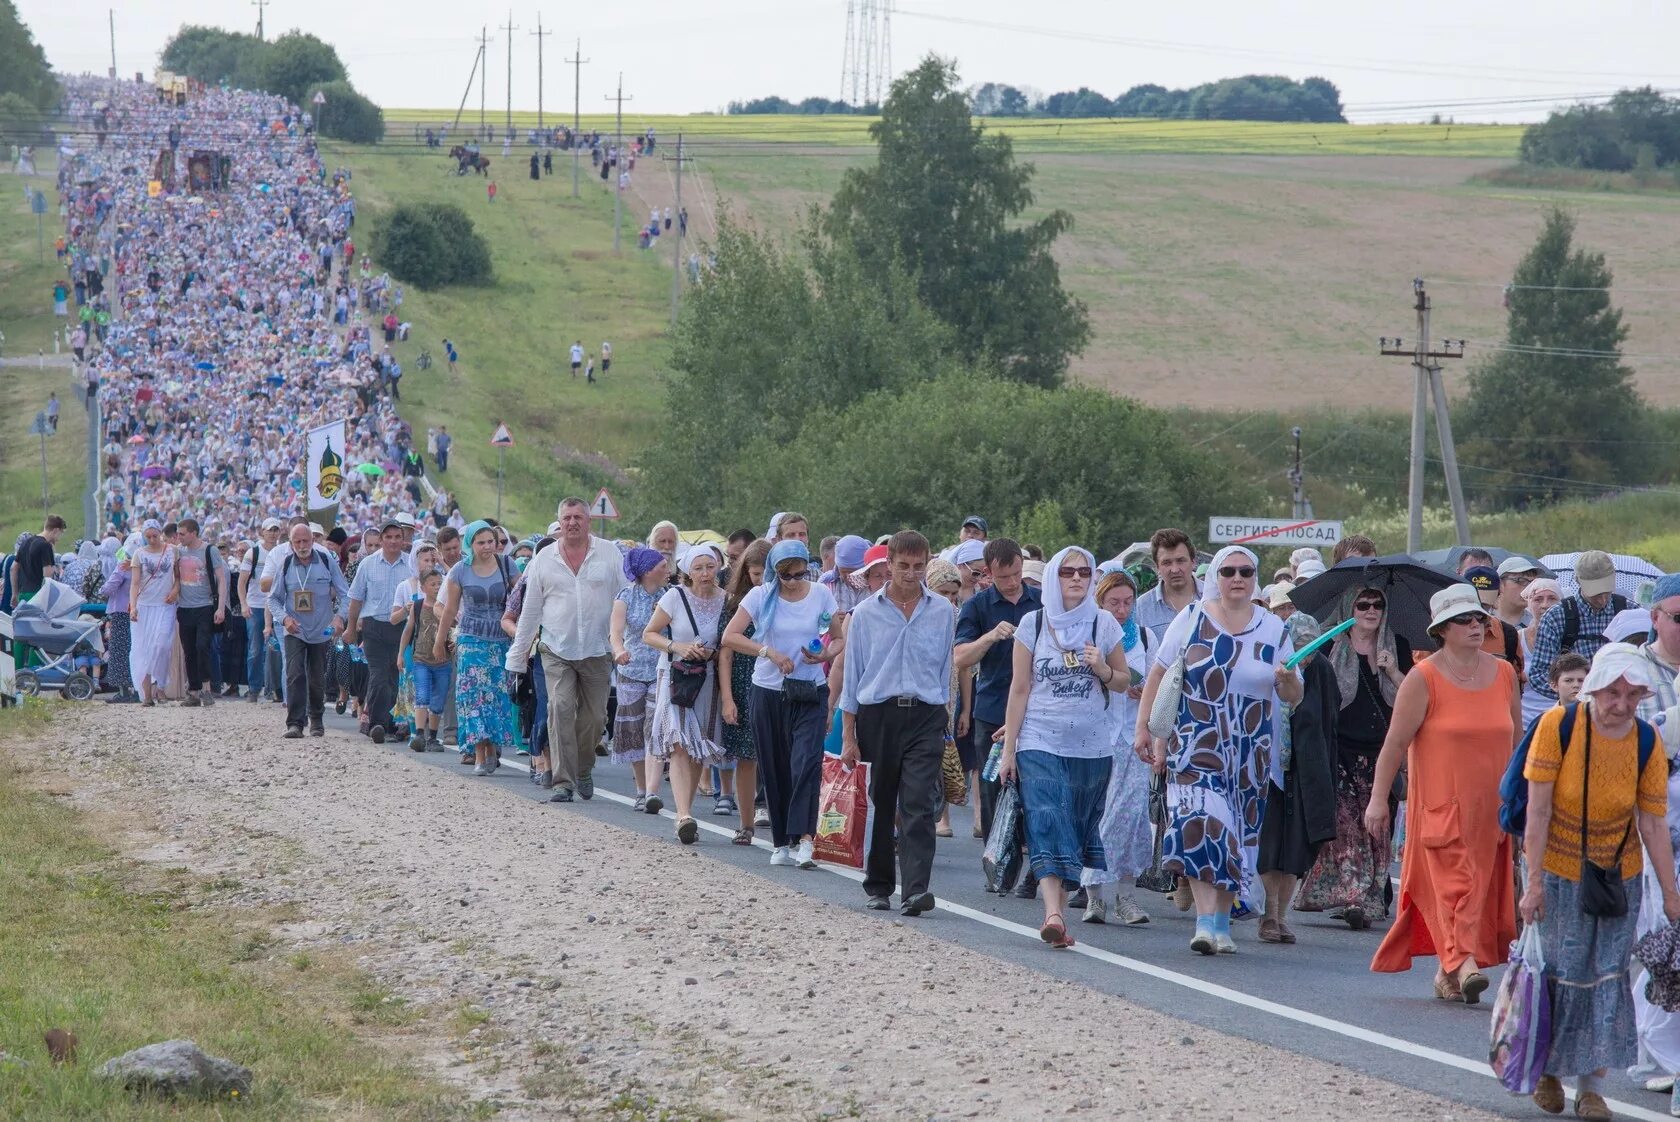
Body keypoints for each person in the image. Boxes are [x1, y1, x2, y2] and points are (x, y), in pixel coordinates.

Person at [1521, 644, 1680, 1121]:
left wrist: (1672, 896)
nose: (1623, 704)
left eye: (1632, 695)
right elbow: (1538, 810)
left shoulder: (1647, 742)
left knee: (1607, 976)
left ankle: (1590, 1088)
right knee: (1561, 971)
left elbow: (1652, 824)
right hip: (1558, 869)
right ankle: (1548, 1072)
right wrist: (1532, 884)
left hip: (1618, 873)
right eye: (1613, 693)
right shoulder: (1560, 725)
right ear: (1593, 690)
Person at [1137, 545, 1300, 954]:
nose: (1238, 578)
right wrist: (1146, 730)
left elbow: (1294, 695)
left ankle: (1223, 923)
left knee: (1236, 838)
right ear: (1216, 576)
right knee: (1198, 827)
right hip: (1195, 744)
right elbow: (1158, 673)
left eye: (1246, 571)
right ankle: (1204, 923)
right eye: (1229, 571)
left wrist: (1285, 680)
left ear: (1255, 577)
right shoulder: (1191, 618)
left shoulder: (1273, 629)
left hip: (1250, 750)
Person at [1366, 584, 1520, 1002]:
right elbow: (1395, 744)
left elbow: (1518, 743)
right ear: (1441, 630)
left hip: (1492, 807)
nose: (1475, 625)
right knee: (1457, 886)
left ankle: (1447, 972)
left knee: (1478, 889)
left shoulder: (1504, 673)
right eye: (1463, 620)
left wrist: (1522, 801)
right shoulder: (1424, 677)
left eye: (1479, 618)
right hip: (1441, 804)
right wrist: (1379, 799)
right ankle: (1464, 963)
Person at [998, 547, 1130, 948]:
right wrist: (1009, 750)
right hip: (1039, 739)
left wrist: (1102, 668)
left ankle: (1060, 910)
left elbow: (1124, 680)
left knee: (1072, 828)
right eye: (1067, 572)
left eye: (1084, 572)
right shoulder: (1032, 624)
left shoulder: (1103, 623)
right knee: (1046, 818)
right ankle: (1052, 913)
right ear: (1054, 577)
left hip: (1091, 747)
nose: (1076, 578)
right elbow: (1019, 690)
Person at [839, 531, 954, 916]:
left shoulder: (942, 611)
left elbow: (944, 668)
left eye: (918, 566)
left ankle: (916, 888)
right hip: (879, 714)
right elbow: (853, 676)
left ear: (927, 564)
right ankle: (879, 884)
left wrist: (945, 715)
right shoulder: (865, 614)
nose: (910, 573)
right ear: (888, 565)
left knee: (919, 800)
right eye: (903, 566)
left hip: (925, 714)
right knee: (883, 801)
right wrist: (849, 736)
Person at [1295, 585, 1412, 930]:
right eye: (1363, 604)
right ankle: (1354, 898)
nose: (1371, 610)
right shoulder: (1331, 645)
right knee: (1346, 825)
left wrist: (1391, 671)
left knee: (1376, 828)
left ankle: (1367, 895)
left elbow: (1412, 696)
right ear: (1350, 607)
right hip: (1339, 747)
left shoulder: (1396, 644)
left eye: (1378, 604)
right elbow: (1310, 692)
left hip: (1381, 750)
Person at [722, 539, 837, 869]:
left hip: (810, 691)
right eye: (787, 576)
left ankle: (804, 837)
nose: (794, 581)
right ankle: (780, 841)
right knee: (774, 766)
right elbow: (731, 636)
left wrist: (826, 654)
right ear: (775, 573)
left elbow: (838, 636)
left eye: (801, 574)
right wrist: (768, 652)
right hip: (769, 689)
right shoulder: (760, 596)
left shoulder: (821, 595)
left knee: (806, 762)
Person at [506, 498, 628, 802]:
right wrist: (518, 655)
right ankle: (563, 780)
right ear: (559, 522)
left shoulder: (610, 554)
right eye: (566, 518)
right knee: (558, 709)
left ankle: (584, 766)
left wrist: (624, 642)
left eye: (577, 517)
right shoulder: (544, 559)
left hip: (598, 651)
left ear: (588, 520)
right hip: (556, 649)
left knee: (595, 718)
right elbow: (531, 611)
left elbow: (626, 599)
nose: (572, 523)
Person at [1257, 612, 1339, 945]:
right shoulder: (1272, 668)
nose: (1303, 653)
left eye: (1309, 646)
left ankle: (1281, 916)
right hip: (1270, 767)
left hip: (1306, 768)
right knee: (1268, 844)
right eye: (1297, 645)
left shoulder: (1321, 670)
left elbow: (1329, 722)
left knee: (1295, 848)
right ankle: (1267, 915)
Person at [954, 538, 1042, 846]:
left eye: (1017, 573)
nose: (1012, 582)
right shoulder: (976, 606)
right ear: (989, 572)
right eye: (1004, 576)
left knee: (1035, 786)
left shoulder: (1042, 602)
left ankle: (1033, 853)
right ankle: (995, 856)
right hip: (992, 710)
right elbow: (960, 658)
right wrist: (990, 637)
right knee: (992, 787)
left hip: (1036, 711)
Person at [643, 545, 729, 844]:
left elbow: (730, 641)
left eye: (710, 566)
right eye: (699, 568)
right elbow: (649, 633)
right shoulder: (675, 596)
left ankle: (686, 810)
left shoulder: (726, 600)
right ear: (687, 572)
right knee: (680, 742)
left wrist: (713, 652)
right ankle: (682, 815)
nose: (705, 573)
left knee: (697, 748)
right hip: (675, 676)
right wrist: (678, 647)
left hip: (707, 678)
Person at [1084, 569, 1155, 926]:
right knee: (1100, 816)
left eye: (1128, 602)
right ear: (1101, 601)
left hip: (1135, 739)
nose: (1122, 609)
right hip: (1098, 739)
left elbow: (1159, 681)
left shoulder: (1144, 637)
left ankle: (1126, 895)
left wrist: (1144, 694)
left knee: (1133, 818)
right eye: (1114, 602)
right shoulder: (1090, 637)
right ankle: (1094, 894)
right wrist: (1112, 680)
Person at [435, 521, 518, 775]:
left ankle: (492, 747)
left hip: (500, 641)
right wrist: (440, 642)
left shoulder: (507, 565)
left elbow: (524, 596)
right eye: (480, 542)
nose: (486, 547)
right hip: (471, 640)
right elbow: (449, 609)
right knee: (473, 698)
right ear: (470, 544)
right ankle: (479, 752)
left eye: (490, 541)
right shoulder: (460, 570)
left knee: (495, 697)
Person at [266, 523, 348, 737]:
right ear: (291, 544)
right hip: (295, 629)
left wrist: (339, 618)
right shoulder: (285, 564)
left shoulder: (325, 560)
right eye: (297, 542)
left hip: (321, 629)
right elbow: (273, 599)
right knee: (294, 673)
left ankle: (317, 720)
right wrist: (284, 619)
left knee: (316, 677)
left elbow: (346, 594)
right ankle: (295, 723)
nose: (302, 546)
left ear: (313, 541)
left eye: (306, 541)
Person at [346, 518, 416, 744]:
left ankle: (395, 723)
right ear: (381, 539)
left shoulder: (411, 565)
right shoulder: (368, 564)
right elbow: (356, 599)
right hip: (374, 626)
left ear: (403, 539)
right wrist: (350, 627)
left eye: (397, 537)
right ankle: (377, 723)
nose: (393, 541)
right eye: (388, 537)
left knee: (395, 675)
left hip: (402, 628)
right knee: (378, 675)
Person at [719, 539, 771, 842]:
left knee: (778, 755)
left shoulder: (785, 601)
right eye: (755, 574)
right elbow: (725, 652)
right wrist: (727, 697)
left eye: (767, 574)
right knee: (746, 757)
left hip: (776, 682)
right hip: (742, 680)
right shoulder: (734, 603)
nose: (761, 581)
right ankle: (746, 823)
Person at [610, 547, 668, 810]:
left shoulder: (668, 596)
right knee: (634, 730)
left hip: (660, 671)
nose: (667, 570)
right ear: (647, 571)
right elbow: (615, 632)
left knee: (654, 729)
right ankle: (640, 789)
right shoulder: (625, 596)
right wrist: (619, 650)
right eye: (662, 566)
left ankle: (652, 793)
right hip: (630, 671)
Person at [1529, 550, 1626, 704]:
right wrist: (1576, 692)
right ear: (1577, 581)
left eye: (1606, 591)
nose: (1602, 599)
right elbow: (1538, 676)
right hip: (1574, 710)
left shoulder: (1629, 612)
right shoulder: (1556, 617)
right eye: (1595, 592)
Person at [172, 518, 229, 708]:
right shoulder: (178, 551)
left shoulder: (209, 550)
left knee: (202, 646)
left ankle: (206, 688)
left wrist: (220, 607)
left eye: (182, 533)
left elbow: (221, 579)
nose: (178, 537)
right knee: (189, 650)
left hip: (204, 605)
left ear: (193, 533)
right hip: (185, 607)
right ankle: (193, 691)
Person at [399, 566, 451, 751]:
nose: (437, 587)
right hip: (421, 659)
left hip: (444, 661)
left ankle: (433, 737)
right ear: (423, 587)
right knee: (422, 695)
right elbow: (408, 631)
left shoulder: (448, 607)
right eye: (433, 584)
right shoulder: (418, 606)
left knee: (438, 699)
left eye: (440, 584)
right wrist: (400, 654)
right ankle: (420, 734)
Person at [127, 520, 179, 707]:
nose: (151, 540)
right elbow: (134, 583)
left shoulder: (172, 550)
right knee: (143, 649)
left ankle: (161, 685)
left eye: (154, 536)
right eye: (147, 537)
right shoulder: (139, 554)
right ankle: (147, 693)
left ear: (160, 534)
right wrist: (133, 607)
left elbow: (178, 575)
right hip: (144, 606)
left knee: (162, 645)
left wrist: (175, 589)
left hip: (164, 605)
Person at [1134, 528, 1200, 643]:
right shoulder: (1141, 608)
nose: (1174, 569)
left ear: (1193, 562)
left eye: (1180, 561)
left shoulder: (1215, 597)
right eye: (1167, 563)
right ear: (1157, 566)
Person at [1520, 578, 1565, 724]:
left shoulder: (1569, 638)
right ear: (1529, 604)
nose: (1545, 605)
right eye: (1538, 599)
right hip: (1524, 721)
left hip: (1559, 720)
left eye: (1552, 598)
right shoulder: (1516, 638)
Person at [99, 537, 137, 702]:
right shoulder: (139, 567)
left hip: (120, 613)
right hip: (135, 612)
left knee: (119, 652)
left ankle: (123, 692)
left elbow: (108, 588)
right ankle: (137, 689)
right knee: (134, 651)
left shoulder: (122, 567)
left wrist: (102, 588)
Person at [14, 515, 66, 600]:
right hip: (37, 594)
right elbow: (47, 576)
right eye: (60, 533)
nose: (58, 539)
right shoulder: (45, 545)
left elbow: (13, 568)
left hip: (23, 594)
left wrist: (14, 593)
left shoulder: (25, 542)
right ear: (56, 530)